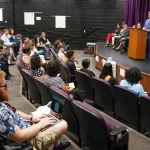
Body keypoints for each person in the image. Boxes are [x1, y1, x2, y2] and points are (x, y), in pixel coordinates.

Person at [0, 70, 71, 150]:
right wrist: (40, 125)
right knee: (63, 124)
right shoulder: (1, 113)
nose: (7, 88)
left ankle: (58, 145)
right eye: (4, 86)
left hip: (26, 124)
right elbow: (20, 137)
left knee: (50, 109)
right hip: (28, 140)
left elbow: (14, 111)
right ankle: (54, 143)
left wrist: (30, 117)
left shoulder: (2, 106)